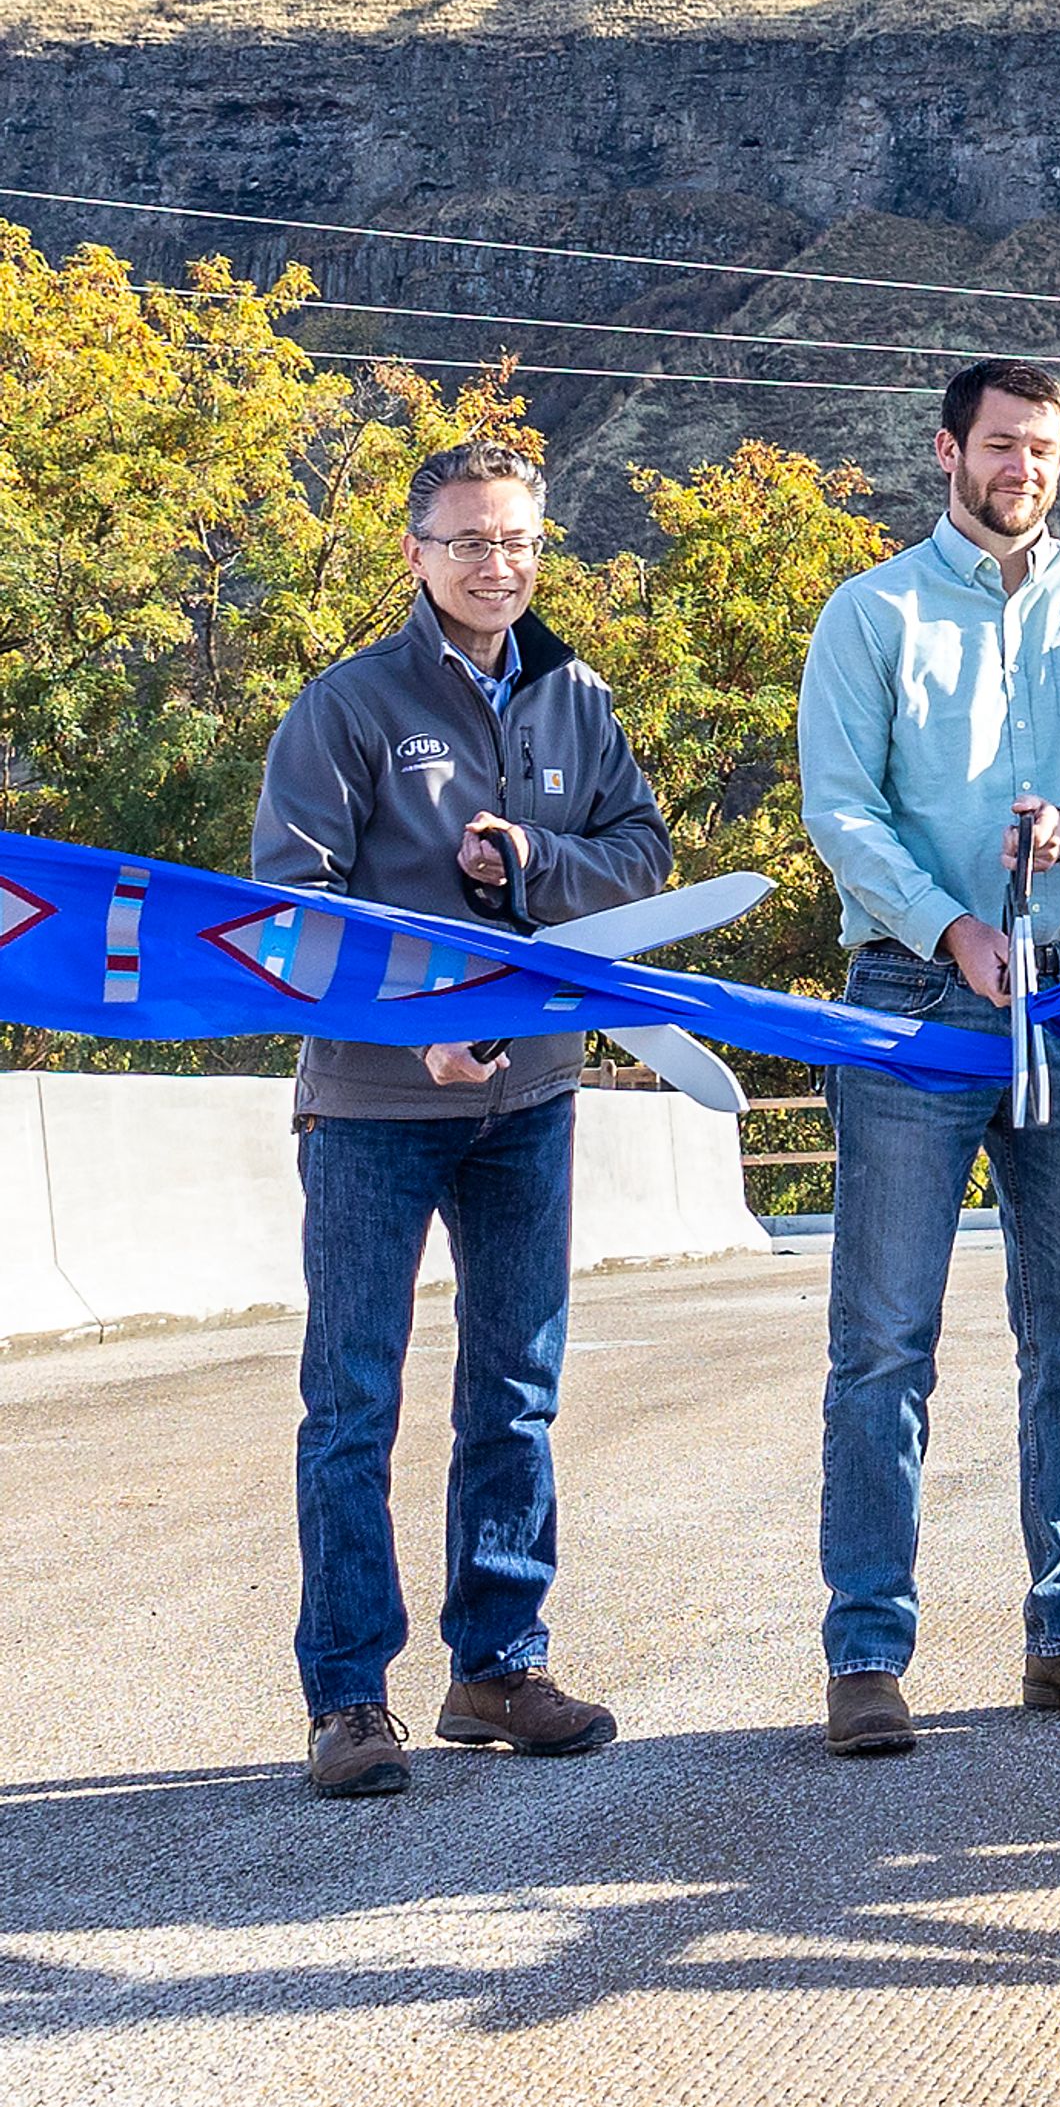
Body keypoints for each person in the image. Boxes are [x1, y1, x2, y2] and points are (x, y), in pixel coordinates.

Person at [252, 437, 674, 1799]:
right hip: (377, 1105)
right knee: (353, 1400)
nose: (500, 567)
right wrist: (405, 1028)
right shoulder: (349, 707)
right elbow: (294, 914)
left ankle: (496, 1665)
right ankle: (348, 1696)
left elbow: (642, 859)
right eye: (472, 542)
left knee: (515, 1391)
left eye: (521, 543)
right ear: (417, 552)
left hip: (533, 1094)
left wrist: (539, 858)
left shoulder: (577, 696)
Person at [796, 358, 1060, 1755]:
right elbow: (840, 811)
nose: (1023, 468)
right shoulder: (874, 613)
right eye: (1002, 446)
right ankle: (866, 1654)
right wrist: (954, 924)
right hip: (916, 1001)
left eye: (1044, 449)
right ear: (947, 450)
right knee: (885, 1342)